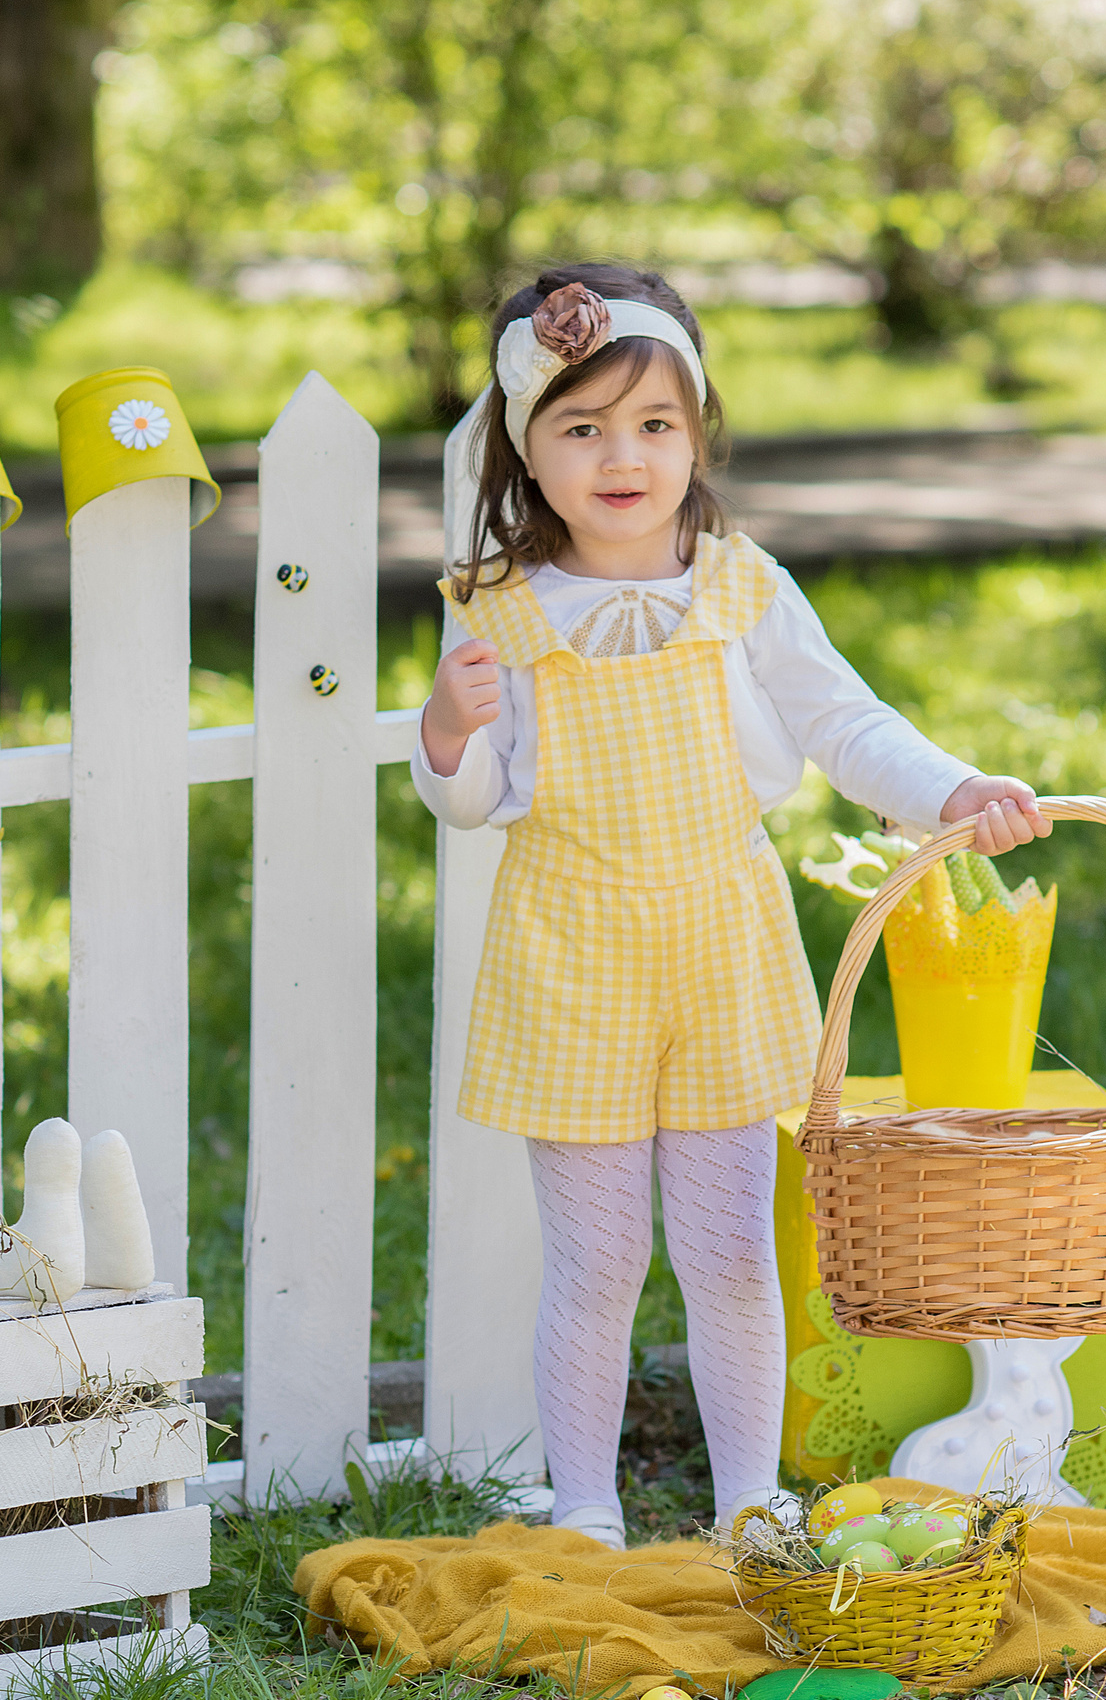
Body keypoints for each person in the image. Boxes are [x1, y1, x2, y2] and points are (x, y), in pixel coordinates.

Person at [411, 263, 1051, 1549]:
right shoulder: (498, 608)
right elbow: (474, 799)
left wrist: (950, 790)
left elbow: (840, 721)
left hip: (721, 942)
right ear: (523, 453)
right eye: (580, 429)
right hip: (570, 951)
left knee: (731, 1256)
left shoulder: (743, 584)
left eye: (653, 423)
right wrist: (445, 729)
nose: (620, 457)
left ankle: (748, 1497)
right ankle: (585, 1501)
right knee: (595, 1266)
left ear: (698, 431)